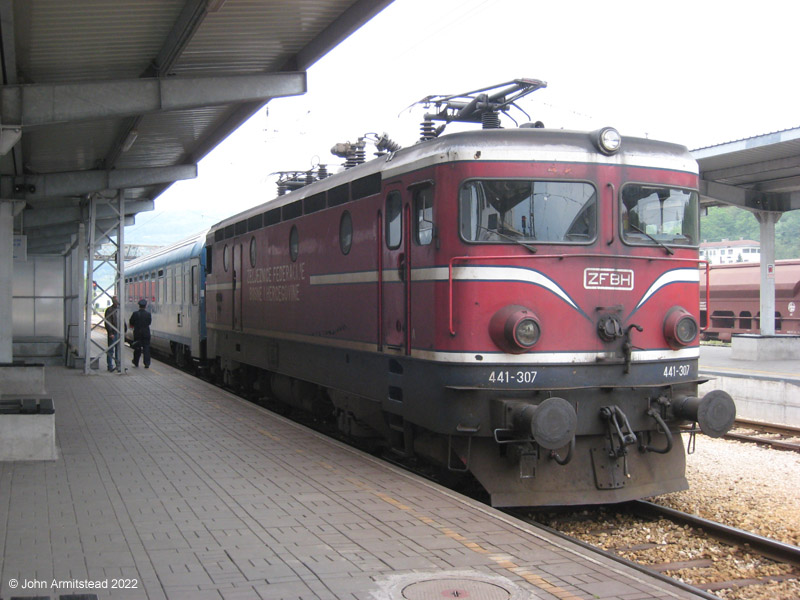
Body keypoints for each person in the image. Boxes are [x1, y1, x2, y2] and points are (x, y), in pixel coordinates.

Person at [129, 298, 152, 368]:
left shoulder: (135, 314)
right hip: (146, 333)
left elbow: (131, 322)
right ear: (145, 306)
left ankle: (136, 362)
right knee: (146, 348)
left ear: (139, 306)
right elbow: (149, 323)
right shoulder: (148, 314)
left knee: (137, 348)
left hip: (137, 333)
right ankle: (147, 363)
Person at [105, 296, 121, 371]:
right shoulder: (109, 310)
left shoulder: (119, 310)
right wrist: (110, 332)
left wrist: (124, 330)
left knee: (118, 350)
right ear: (113, 301)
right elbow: (108, 322)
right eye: (116, 301)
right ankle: (110, 366)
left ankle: (118, 365)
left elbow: (122, 320)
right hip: (113, 333)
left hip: (119, 333)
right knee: (111, 350)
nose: (117, 302)